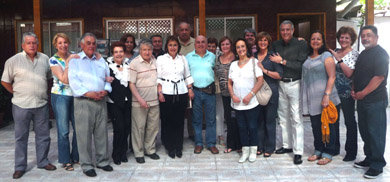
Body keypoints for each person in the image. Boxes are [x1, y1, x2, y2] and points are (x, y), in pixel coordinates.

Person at [1, 32, 56, 179]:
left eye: (34, 43)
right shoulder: (13, 61)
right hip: (21, 105)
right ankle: (20, 167)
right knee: (21, 137)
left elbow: (49, 79)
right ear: (23, 45)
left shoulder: (45, 59)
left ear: (38, 44)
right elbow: (5, 81)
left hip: (41, 105)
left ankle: (43, 161)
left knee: (43, 136)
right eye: (29, 43)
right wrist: (16, 92)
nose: (32, 45)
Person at [68, 33, 113, 177]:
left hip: (100, 101)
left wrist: (106, 90)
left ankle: (103, 161)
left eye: (94, 43)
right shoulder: (75, 61)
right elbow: (73, 82)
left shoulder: (100, 60)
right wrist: (89, 93)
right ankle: (86, 165)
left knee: (101, 133)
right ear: (81, 45)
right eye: (88, 43)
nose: (92, 46)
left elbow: (107, 78)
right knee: (84, 135)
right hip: (83, 102)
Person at [352, 25, 389, 179]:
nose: (365, 38)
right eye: (363, 36)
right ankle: (370, 157)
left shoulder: (381, 54)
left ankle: (378, 164)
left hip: (375, 100)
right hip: (362, 100)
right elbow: (357, 73)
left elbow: (379, 77)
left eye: (369, 35)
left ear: (376, 37)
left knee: (376, 133)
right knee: (365, 131)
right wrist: (354, 89)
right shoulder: (363, 54)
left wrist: (363, 93)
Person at [270, 20, 308, 165]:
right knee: (283, 118)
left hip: (295, 84)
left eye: (288, 30)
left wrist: (283, 61)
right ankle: (287, 146)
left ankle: (298, 152)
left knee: (296, 118)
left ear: (293, 30)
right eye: (283, 30)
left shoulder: (301, 44)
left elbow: (301, 66)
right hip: (280, 84)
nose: (285, 32)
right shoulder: (276, 44)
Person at [302, 30, 341, 165]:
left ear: (323, 41)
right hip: (312, 99)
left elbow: (332, 76)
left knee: (328, 126)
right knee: (316, 126)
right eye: (313, 39)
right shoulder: (307, 58)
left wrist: (326, 95)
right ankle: (318, 149)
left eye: (318, 39)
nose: (315, 41)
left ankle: (329, 152)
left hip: (326, 97)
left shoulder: (326, 55)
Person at [157, 36, 194, 159]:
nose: (173, 47)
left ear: (178, 47)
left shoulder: (182, 59)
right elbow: (158, 78)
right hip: (166, 92)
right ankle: (170, 146)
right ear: (166, 47)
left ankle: (179, 146)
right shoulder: (161, 59)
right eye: (170, 45)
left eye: (175, 45)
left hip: (181, 92)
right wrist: (160, 92)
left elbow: (187, 75)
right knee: (168, 121)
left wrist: (189, 89)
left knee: (179, 121)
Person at [228, 38, 263, 163]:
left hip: (251, 102)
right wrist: (232, 95)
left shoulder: (254, 62)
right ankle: (245, 151)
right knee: (241, 127)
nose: (240, 49)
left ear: (246, 48)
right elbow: (229, 82)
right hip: (238, 103)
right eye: (238, 47)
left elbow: (260, 80)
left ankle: (253, 151)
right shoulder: (233, 65)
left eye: (242, 46)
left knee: (252, 127)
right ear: (235, 50)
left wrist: (251, 94)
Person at [49, 33, 79, 171]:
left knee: (78, 128)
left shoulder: (74, 55)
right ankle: (66, 160)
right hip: (61, 96)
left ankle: (76, 156)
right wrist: (67, 64)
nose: (63, 45)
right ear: (55, 45)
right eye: (60, 43)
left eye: (65, 42)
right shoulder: (53, 60)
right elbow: (64, 79)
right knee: (64, 130)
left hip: (76, 95)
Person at [329, 26, 359, 162]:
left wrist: (339, 60)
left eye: (347, 37)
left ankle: (351, 151)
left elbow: (350, 74)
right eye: (342, 37)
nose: (343, 40)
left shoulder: (354, 54)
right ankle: (334, 148)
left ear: (352, 39)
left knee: (349, 122)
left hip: (347, 93)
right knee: (333, 120)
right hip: (333, 92)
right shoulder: (335, 51)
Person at [129, 39, 160, 164]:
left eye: (149, 49)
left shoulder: (155, 61)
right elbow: (131, 84)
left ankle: (150, 150)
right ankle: (139, 152)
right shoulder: (134, 63)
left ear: (152, 50)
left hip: (154, 101)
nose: (147, 52)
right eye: (144, 50)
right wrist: (140, 100)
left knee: (153, 127)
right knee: (139, 128)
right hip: (139, 102)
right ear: (140, 51)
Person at [186, 35, 219, 154]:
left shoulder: (213, 56)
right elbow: (186, 74)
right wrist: (189, 89)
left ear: (206, 44)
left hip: (209, 91)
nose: (200, 44)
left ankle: (211, 144)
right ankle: (198, 143)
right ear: (195, 44)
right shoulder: (188, 57)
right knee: (196, 119)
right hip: (195, 92)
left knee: (211, 120)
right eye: (198, 42)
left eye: (203, 42)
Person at [255, 32, 283, 157]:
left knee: (269, 121)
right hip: (257, 92)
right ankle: (259, 146)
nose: (262, 42)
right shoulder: (254, 57)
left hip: (271, 92)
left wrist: (264, 70)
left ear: (268, 42)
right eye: (260, 40)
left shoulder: (273, 56)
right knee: (259, 121)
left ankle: (269, 147)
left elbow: (279, 75)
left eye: (265, 40)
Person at [106, 42, 132, 165]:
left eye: (121, 51)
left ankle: (123, 152)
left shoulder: (128, 65)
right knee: (119, 128)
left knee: (127, 127)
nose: (119, 54)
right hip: (114, 102)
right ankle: (116, 154)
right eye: (116, 52)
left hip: (127, 101)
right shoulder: (108, 66)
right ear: (112, 53)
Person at [215, 36, 242, 153]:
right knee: (229, 119)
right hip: (225, 94)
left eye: (227, 44)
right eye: (222, 45)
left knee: (238, 118)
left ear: (231, 45)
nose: (225, 46)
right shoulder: (218, 58)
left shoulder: (236, 58)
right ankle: (231, 144)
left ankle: (240, 144)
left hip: (236, 93)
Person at [177, 21, 196, 141]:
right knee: (179, 110)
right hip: (177, 83)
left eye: (186, 30)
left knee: (192, 111)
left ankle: (192, 134)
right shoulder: (174, 43)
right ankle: (178, 135)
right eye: (181, 30)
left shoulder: (196, 43)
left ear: (190, 31)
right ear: (178, 31)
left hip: (192, 82)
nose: (184, 32)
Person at [208, 37, 224, 145]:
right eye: (209, 46)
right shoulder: (204, 56)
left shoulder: (221, 56)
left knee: (219, 113)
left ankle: (220, 135)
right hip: (207, 88)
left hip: (219, 89)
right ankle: (211, 137)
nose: (211, 48)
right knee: (209, 115)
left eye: (213, 46)